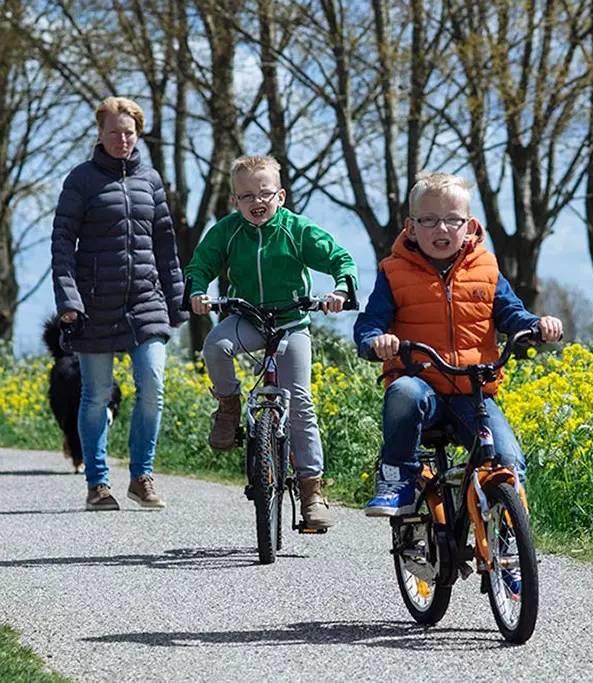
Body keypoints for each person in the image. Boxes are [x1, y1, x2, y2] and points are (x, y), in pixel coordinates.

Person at [353, 170, 563, 518]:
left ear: (469, 224)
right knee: (403, 392)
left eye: (453, 220)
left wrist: (536, 325)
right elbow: (369, 323)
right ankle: (397, 478)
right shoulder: (393, 272)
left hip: (474, 393)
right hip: (422, 386)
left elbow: (511, 313)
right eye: (430, 220)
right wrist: (376, 341)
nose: (442, 229)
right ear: (411, 226)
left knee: (508, 461)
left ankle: (507, 548)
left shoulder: (487, 267)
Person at [184, 154, 358, 530]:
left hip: (292, 322)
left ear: (280, 195)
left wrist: (341, 289)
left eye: (264, 193)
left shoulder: (296, 230)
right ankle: (229, 407)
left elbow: (339, 259)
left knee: (301, 404)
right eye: (246, 196)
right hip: (246, 318)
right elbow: (200, 265)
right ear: (234, 201)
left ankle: (312, 492)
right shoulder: (227, 231)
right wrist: (197, 290)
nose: (256, 202)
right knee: (215, 346)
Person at [51, 96, 187, 512]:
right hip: (94, 304)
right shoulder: (81, 180)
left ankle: (141, 476)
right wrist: (69, 299)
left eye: (128, 133)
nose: (121, 139)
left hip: (145, 303)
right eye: (113, 132)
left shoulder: (152, 180)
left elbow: (166, 245)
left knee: (153, 386)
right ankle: (98, 484)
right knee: (94, 395)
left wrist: (177, 299)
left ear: (137, 134)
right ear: (100, 133)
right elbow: (62, 244)